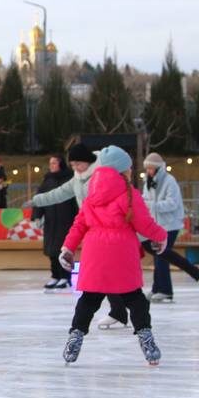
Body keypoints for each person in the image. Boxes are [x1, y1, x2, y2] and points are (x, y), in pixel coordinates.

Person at [58, 146, 167, 365]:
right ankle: (146, 338)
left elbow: (79, 224)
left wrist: (67, 248)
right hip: (122, 252)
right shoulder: (129, 193)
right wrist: (161, 236)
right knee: (135, 299)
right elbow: (143, 223)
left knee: (88, 299)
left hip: (94, 252)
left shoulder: (92, 193)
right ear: (123, 170)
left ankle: (75, 337)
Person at [24, 142, 128, 329]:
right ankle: (119, 310)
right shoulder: (78, 178)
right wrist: (37, 200)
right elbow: (60, 193)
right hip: (92, 229)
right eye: (72, 165)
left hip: (107, 229)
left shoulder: (102, 176)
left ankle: (121, 309)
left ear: (88, 161)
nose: (75, 168)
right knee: (103, 271)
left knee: (104, 271)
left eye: (78, 164)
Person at [139, 152, 199, 303]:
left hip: (170, 224)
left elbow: (172, 203)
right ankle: (158, 288)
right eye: (147, 169)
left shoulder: (169, 181)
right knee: (160, 255)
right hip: (156, 225)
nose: (148, 171)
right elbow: (145, 199)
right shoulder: (148, 181)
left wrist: (151, 206)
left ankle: (165, 290)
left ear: (158, 168)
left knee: (162, 255)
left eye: (151, 168)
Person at [30, 155, 77, 291]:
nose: (52, 165)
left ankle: (65, 277)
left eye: (54, 163)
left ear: (61, 164)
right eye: (50, 163)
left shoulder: (69, 179)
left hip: (66, 220)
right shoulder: (47, 180)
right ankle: (55, 275)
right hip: (51, 221)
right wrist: (37, 216)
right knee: (51, 249)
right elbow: (40, 199)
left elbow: (75, 201)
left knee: (63, 249)